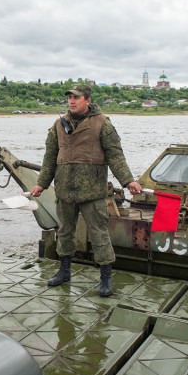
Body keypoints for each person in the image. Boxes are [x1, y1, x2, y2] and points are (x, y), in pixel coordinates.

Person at [30, 84, 142, 297]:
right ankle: (64, 271)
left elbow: (115, 156)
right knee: (64, 232)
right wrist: (42, 184)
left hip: (92, 192)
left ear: (87, 100)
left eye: (76, 97)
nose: (72, 101)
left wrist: (128, 181)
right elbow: (49, 158)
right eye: (70, 97)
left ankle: (106, 278)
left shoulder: (103, 124)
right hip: (65, 190)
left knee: (99, 234)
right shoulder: (57, 126)